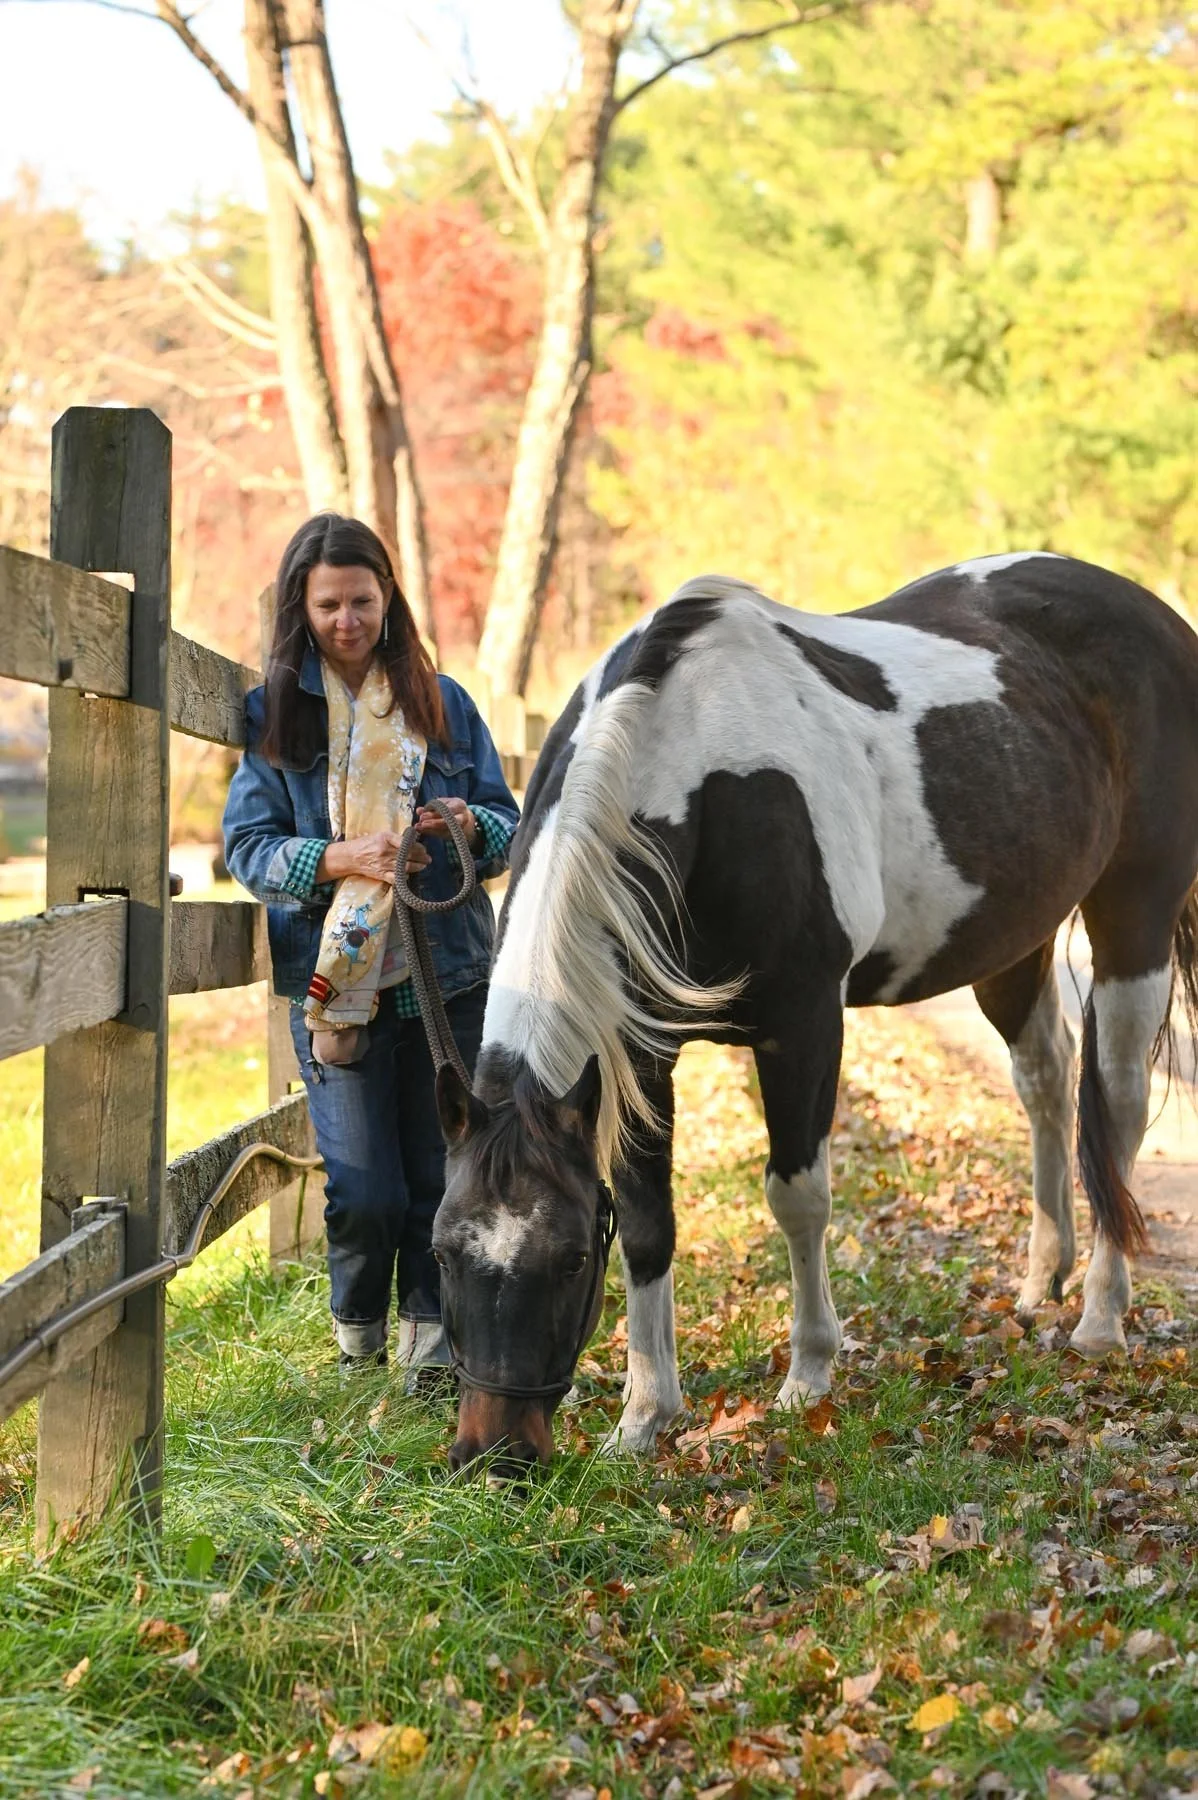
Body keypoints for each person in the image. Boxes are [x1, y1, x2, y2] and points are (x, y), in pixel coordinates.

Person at [223, 514, 519, 1382]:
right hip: (337, 984)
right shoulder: (275, 713)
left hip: (449, 976)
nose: (347, 621)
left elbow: (507, 825)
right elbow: (247, 847)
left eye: (361, 600)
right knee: (364, 1190)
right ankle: (359, 1341)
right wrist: (336, 857)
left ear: (388, 596)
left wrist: (468, 826)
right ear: (301, 610)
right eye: (328, 606)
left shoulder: (446, 703)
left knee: (440, 1175)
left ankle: (432, 1349)